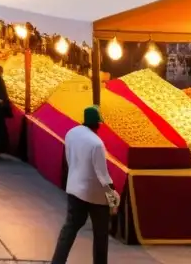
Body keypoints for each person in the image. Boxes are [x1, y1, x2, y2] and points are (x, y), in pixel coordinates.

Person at [50, 106, 113, 264]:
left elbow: (69, 159)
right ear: (96, 124)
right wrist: (113, 195)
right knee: (100, 233)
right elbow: (102, 175)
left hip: (74, 188)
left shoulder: (72, 133)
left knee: (70, 228)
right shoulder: (96, 144)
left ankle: (57, 261)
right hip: (95, 195)